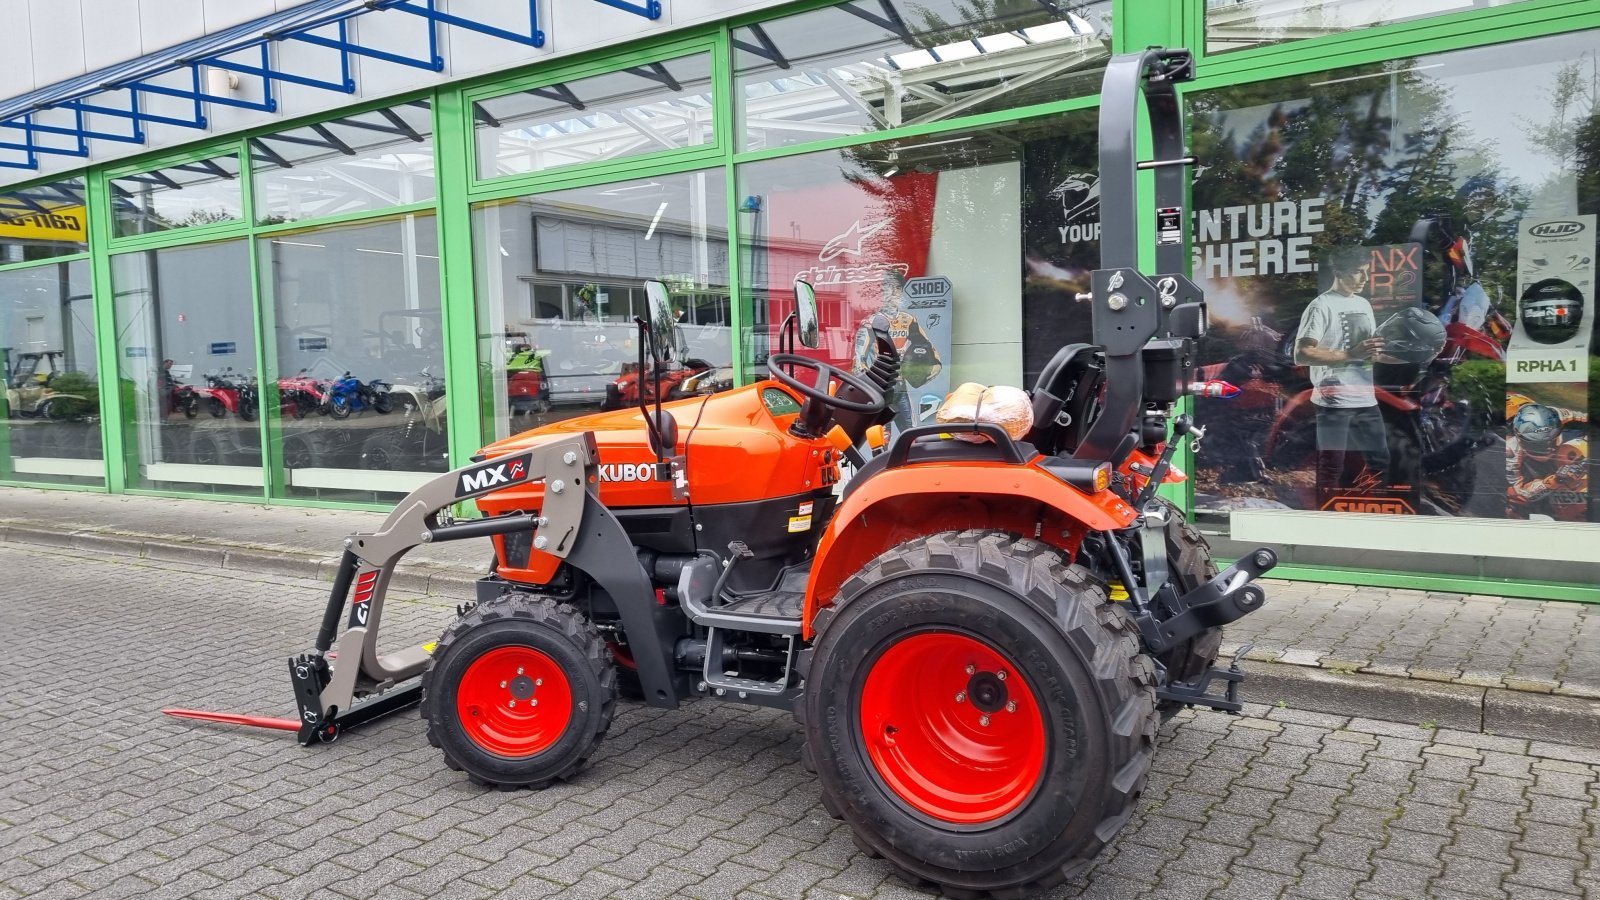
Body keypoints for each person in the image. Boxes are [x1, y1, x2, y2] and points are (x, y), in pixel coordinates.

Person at [1294, 248, 1390, 505]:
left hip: (1365, 398)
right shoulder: (1320, 305)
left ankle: (1366, 507)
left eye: (1366, 273)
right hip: (1333, 401)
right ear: (1338, 272)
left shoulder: (1363, 304)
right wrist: (1351, 353)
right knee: (1331, 467)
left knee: (1380, 461)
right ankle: (1327, 517)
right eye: (1358, 272)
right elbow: (1302, 353)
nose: (1364, 278)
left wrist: (1385, 354)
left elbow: (1367, 352)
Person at [1505, 393, 1588, 521]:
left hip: (1519, 407)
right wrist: (1554, 481)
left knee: (1569, 451)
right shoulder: (1511, 451)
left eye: (1552, 441)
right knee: (1514, 503)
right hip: (1523, 463)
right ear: (1521, 441)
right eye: (1540, 446)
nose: (1549, 450)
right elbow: (1519, 493)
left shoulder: (1558, 415)